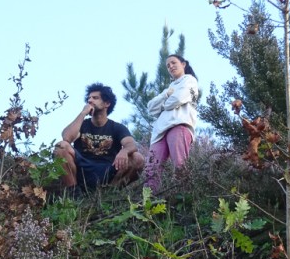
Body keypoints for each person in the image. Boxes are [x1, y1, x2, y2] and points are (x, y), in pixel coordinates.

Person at [54, 84, 144, 193]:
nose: (90, 100)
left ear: (107, 103)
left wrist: (124, 151)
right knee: (61, 146)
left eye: (95, 98)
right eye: (89, 98)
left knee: (137, 158)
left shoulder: (117, 127)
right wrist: (83, 113)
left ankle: (110, 193)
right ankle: (73, 193)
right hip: (82, 169)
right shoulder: (82, 124)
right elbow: (66, 138)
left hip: (108, 170)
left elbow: (131, 144)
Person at [145, 54, 198, 190]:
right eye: (168, 65)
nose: (171, 67)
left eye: (174, 63)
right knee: (151, 170)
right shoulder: (168, 89)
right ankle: (148, 201)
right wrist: (166, 95)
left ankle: (182, 196)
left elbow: (178, 98)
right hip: (159, 132)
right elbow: (150, 108)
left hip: (178, 126)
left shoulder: (190, 80)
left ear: (183, 64)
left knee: (180, 165)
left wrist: (162, 105)